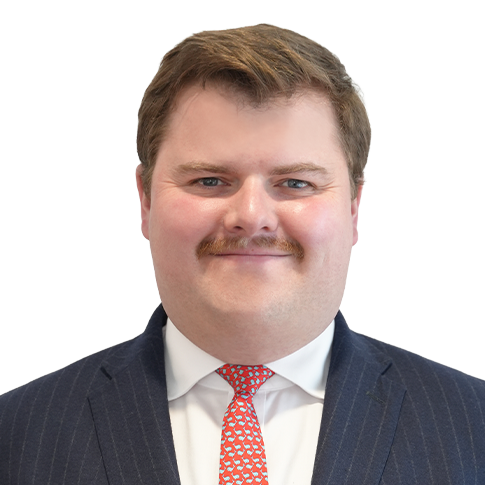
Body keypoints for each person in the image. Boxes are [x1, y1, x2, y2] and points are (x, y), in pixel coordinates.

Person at [1, 23, 484, 485]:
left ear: (354, 208)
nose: (252, 216)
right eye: (209, 180)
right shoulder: (16, 435)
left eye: (296, 183)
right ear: (145, 201)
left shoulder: (472, 424)